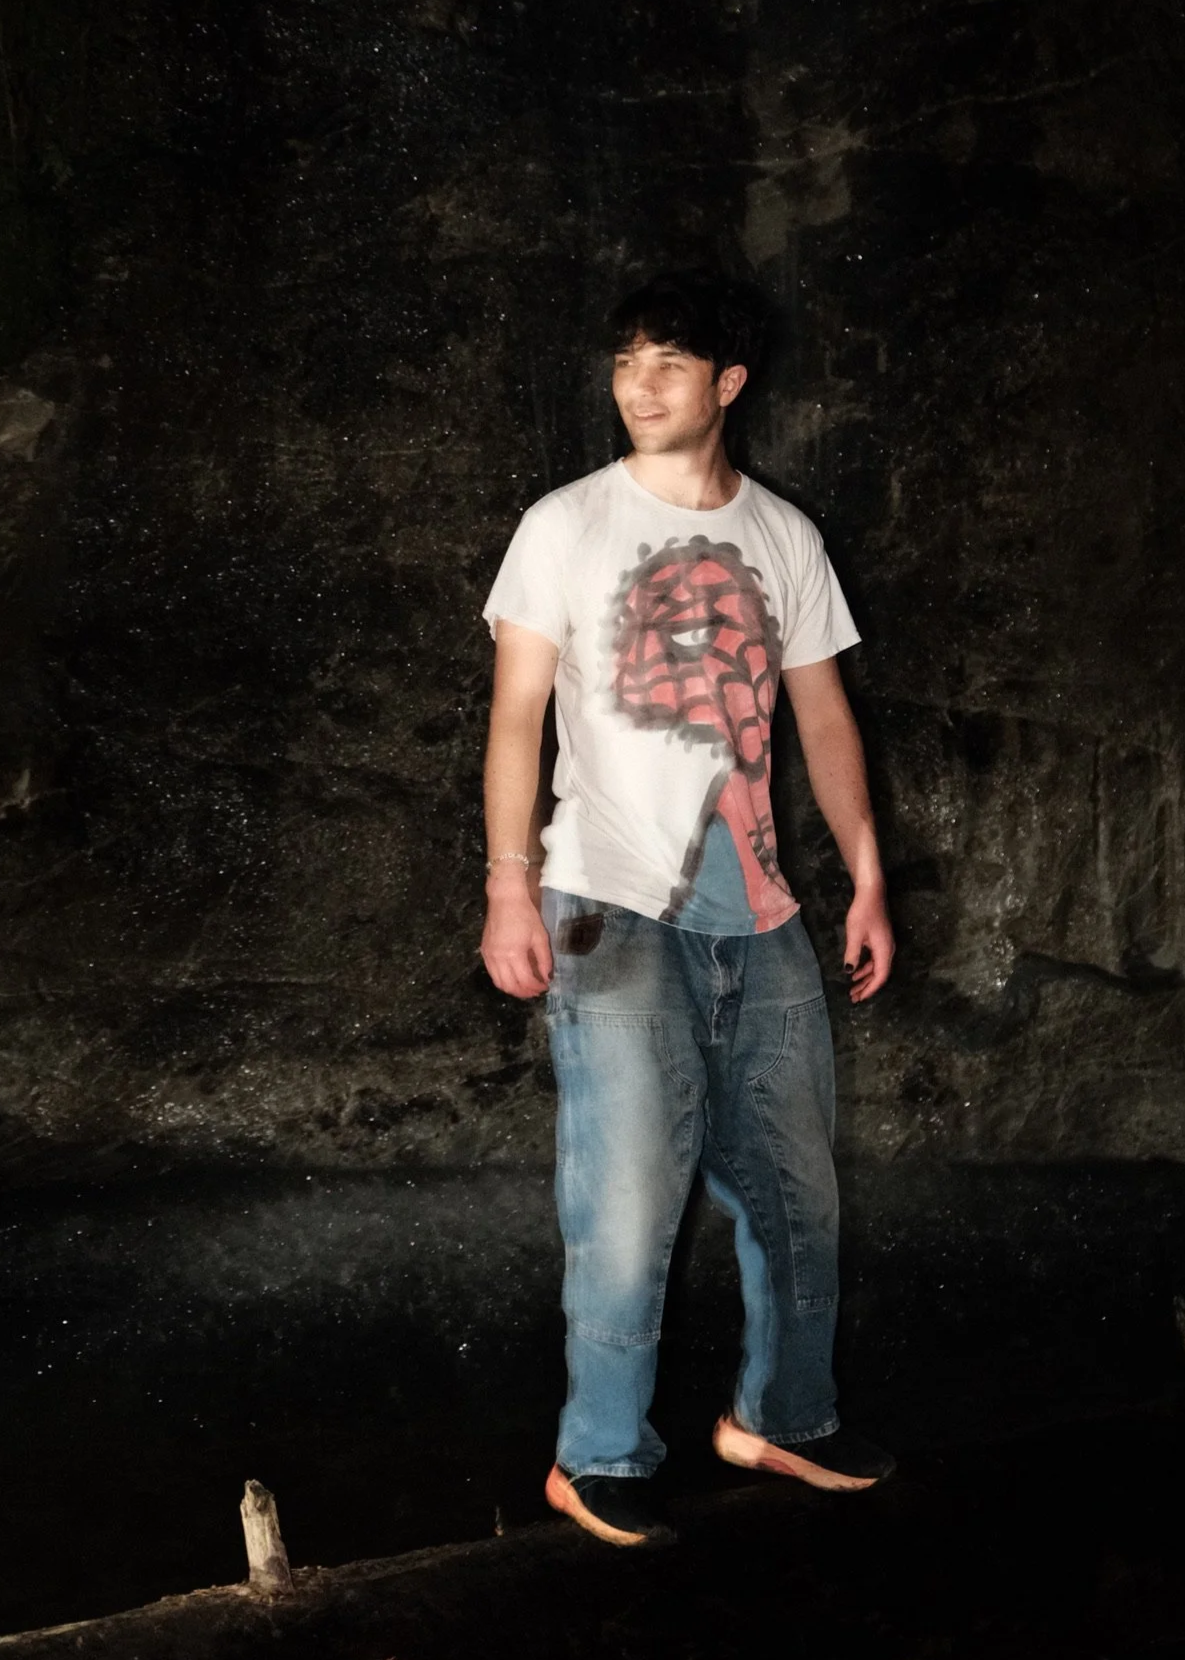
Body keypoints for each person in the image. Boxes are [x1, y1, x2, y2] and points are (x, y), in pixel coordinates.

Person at [480, 269, 895, 1547]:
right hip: (610, 904)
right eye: (624, 363)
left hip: (760, 908)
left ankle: (782, 1417)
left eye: (669, 364)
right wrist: (508, 888)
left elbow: (823, 715)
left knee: (793, 1186)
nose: (637, 385)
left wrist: (866, 871)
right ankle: (595, 1453)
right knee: (624, 1193)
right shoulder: (565, 524)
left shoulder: (783, 536)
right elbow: (515, 721)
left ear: (728, 384)